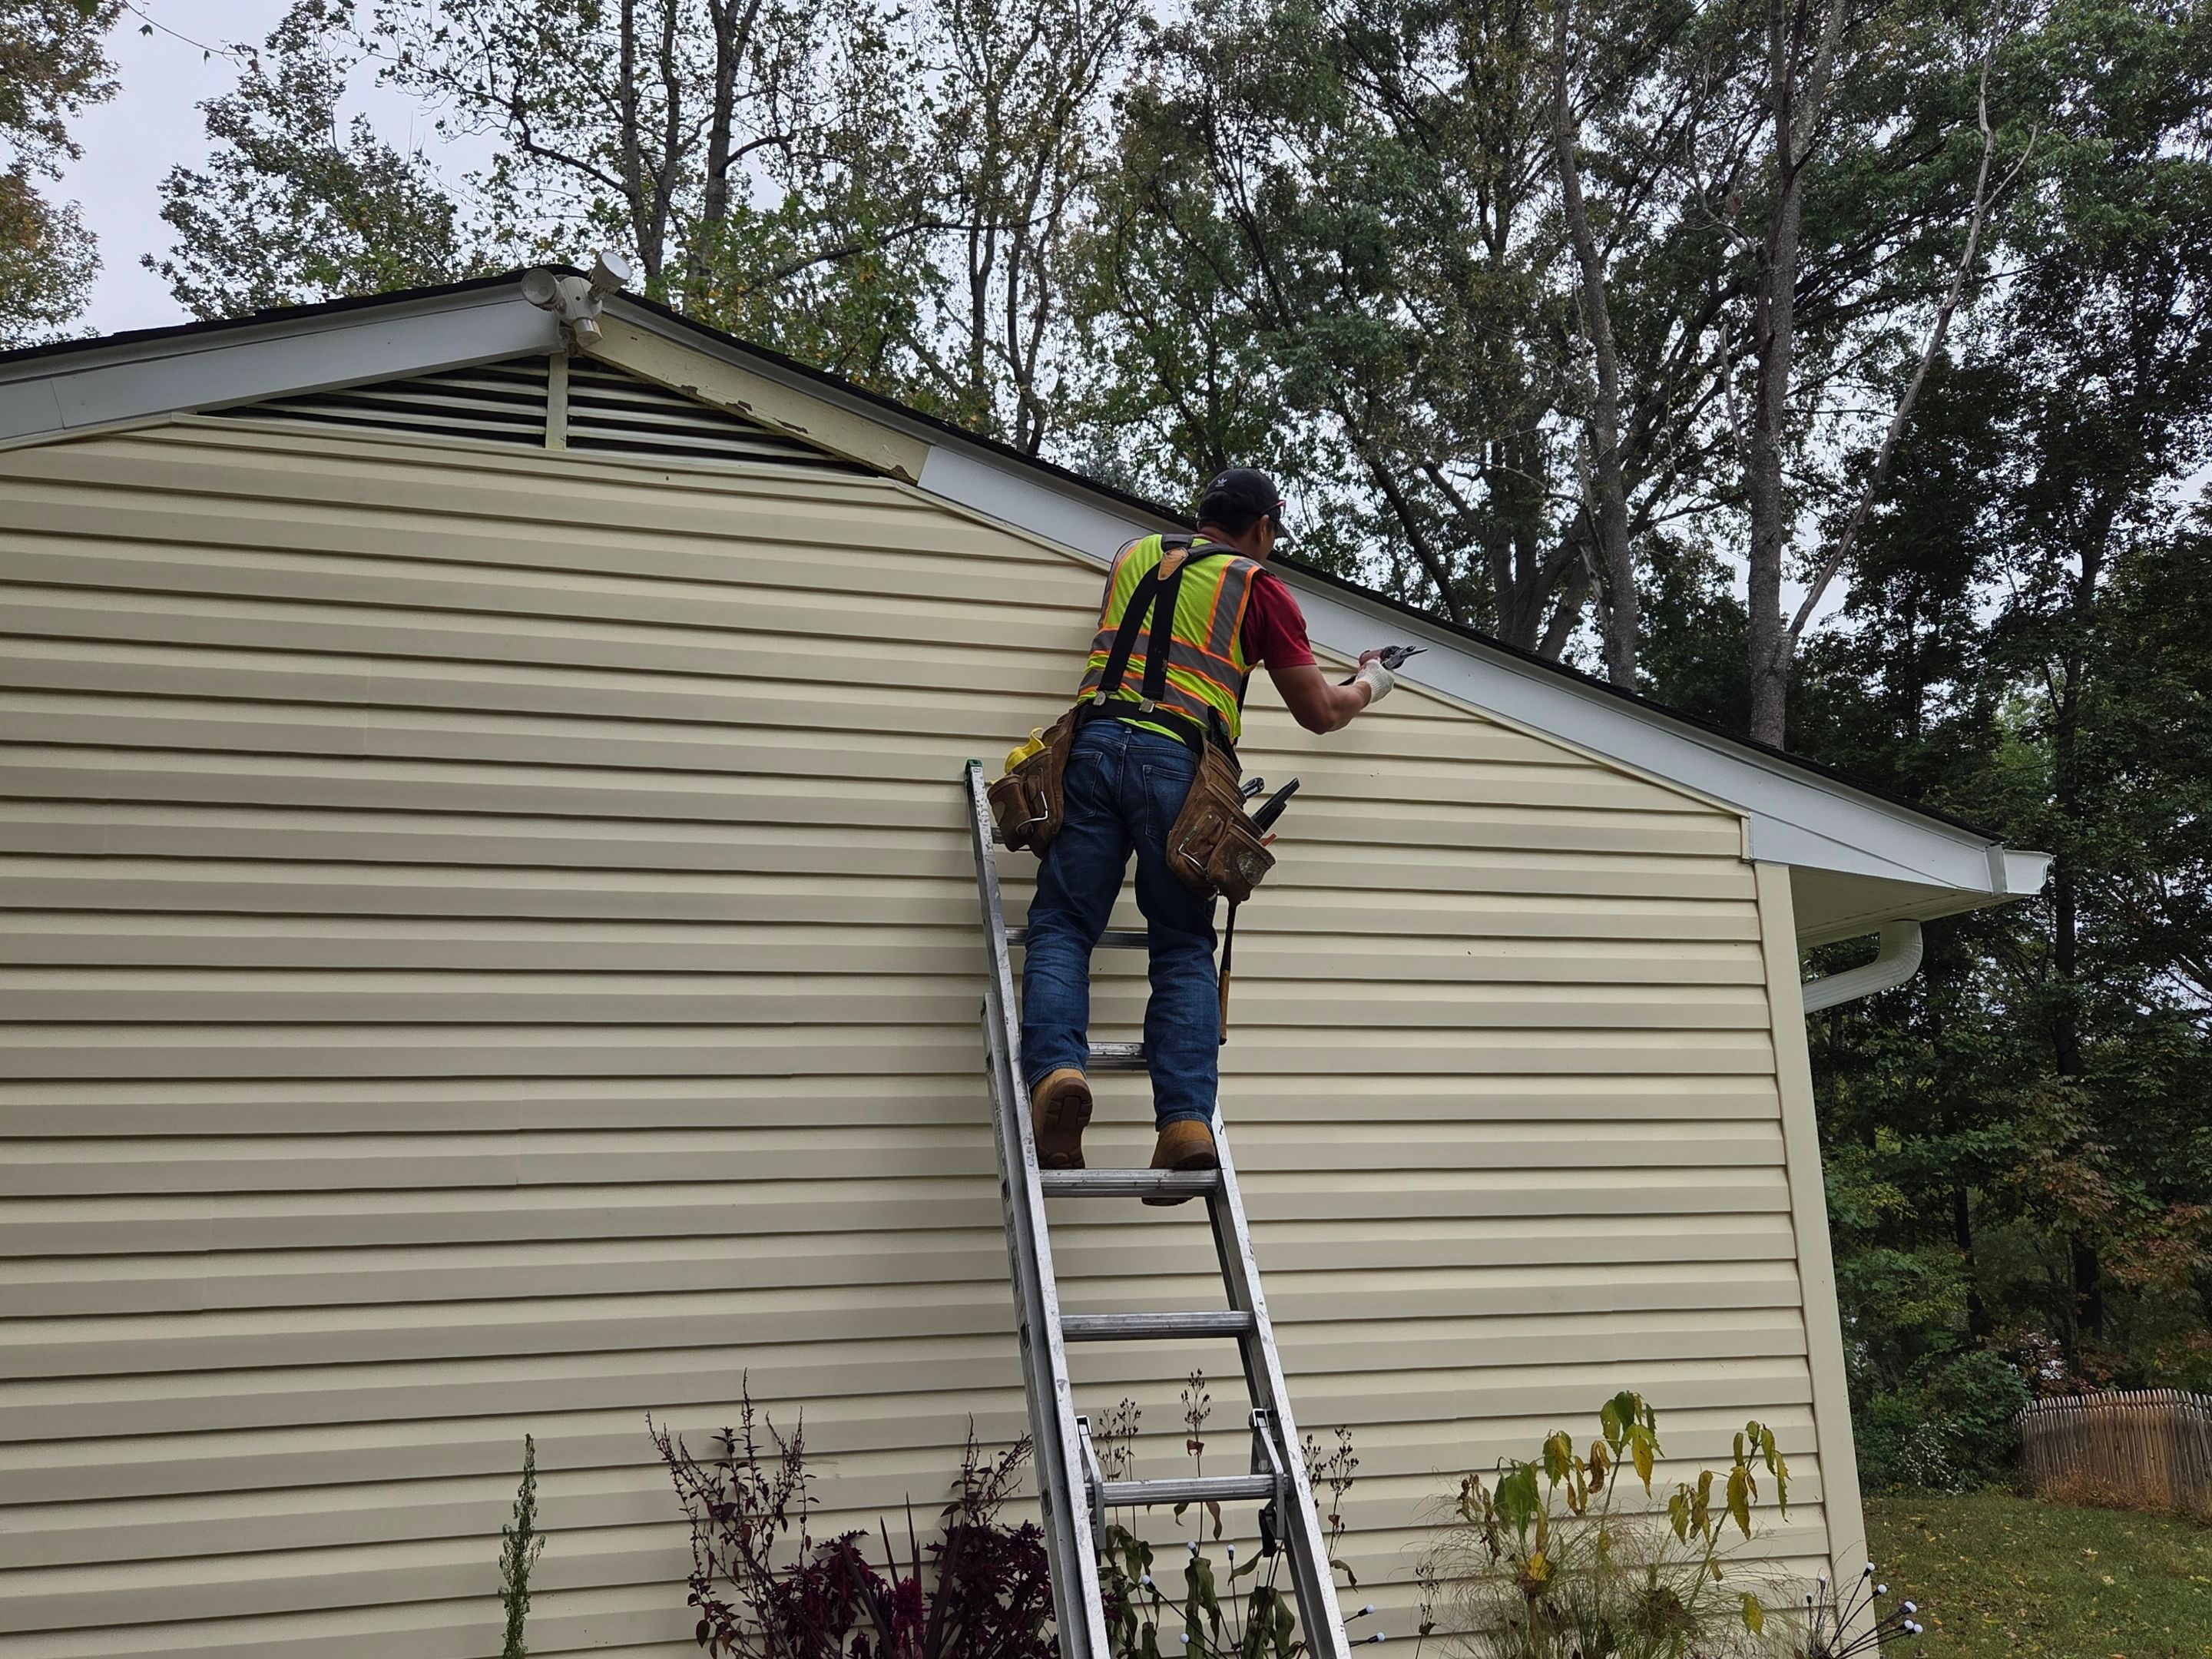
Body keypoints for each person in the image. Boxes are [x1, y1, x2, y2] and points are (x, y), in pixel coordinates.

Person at [1018, 468, 1399, 1200]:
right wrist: (1371, 683)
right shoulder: (1258, 586)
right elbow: (1318, 711)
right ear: (1262, 527)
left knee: (1064, 925)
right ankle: (1185, 1125)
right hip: (1181, 766)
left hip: (1090, 749)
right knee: (1184, 943)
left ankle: (1057, 1075)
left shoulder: (1132, 556)